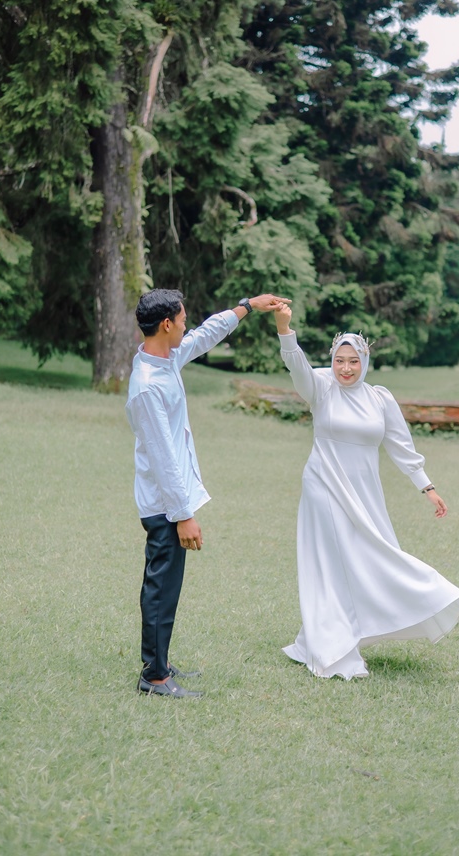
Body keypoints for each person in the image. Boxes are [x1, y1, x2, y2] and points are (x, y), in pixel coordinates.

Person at [273, 302, 459, 680]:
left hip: (365, 493)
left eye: (353, 361)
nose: (345, 368)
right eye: (339, 360)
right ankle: (333, 647)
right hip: (324, 485)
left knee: (373, 556)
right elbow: (296, 366)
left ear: (364, 362)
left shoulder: (380, 398)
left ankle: (318, 637)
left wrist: (426, 486)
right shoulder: (321, 387)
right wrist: (285, 331)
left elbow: (401, 445)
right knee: (332, 564)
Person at [126, 288, 289, 698]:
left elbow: (204, 335)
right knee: (161, 589)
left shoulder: (165, 358)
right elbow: (163, 457)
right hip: (165, 505)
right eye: (182, 319)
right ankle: (154, 677)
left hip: (171, 502)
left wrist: (246, 307)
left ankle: (159, 662)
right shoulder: (147, 385)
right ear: (167, 324)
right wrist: (184, 515)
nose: (187, 325)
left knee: (167, 587)